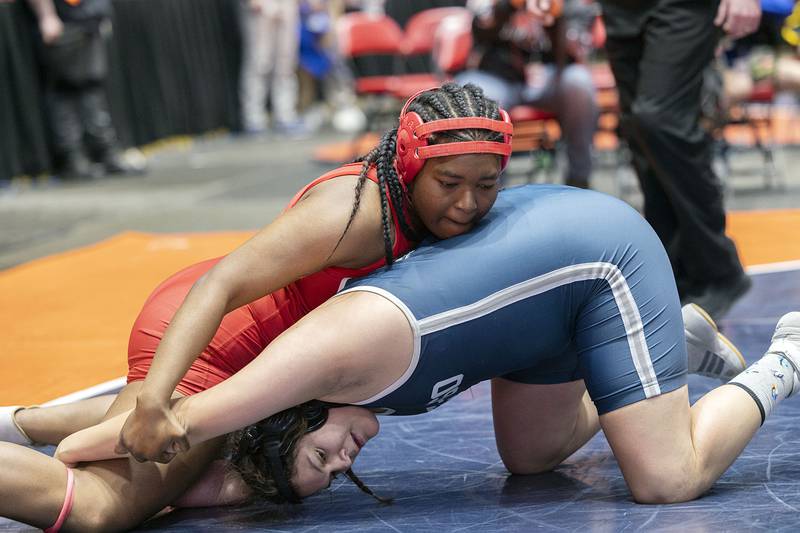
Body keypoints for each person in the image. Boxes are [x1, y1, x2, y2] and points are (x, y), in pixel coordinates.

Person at [6, 183, 783, 531]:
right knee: (155, 460)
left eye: (324, 459)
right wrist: (146, 431)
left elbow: (159, 426)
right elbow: (181, 423)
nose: (345, 459)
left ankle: (784, 356)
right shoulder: (321, 365)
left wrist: (120, 431)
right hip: (552, 294)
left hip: (596, 259)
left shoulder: (334, 347)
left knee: (661, 478)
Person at [0, 82, 514, 530]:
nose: (468, 204)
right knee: (102, 508)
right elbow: (220, 285)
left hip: (249, 351)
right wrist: (156, 402)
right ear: (407, 161)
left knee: (184, 480)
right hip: (219, 340)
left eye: (486, 186)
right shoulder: (354, 213)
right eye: (449, 185)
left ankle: (23, 423)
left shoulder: (416, 211)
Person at [541, 0, 761, 319]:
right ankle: (674, 272)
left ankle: (719, 268)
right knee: (639, 133)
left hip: (681, 6)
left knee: (659, 119)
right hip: (622, 9)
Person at [455, 0, 599, 188]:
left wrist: (557, 15)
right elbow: (482, 24)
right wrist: (510, 5)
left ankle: (579, 180)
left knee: (579, 81)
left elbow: (580, 48)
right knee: (474, 90)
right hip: (500, 77)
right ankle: (489, 188)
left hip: (551, 78)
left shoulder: (572, 4)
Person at [25, 0, 147, 180]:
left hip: (87, 21)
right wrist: (47, 16)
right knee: (63, 90)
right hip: (64, 22)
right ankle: (73, 158)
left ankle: (104, 152)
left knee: (92, 87)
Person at [239, 0, 306, 135]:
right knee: (259, 63)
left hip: (287, 5)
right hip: (261, 7)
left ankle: (285, 115)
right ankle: (253, 118)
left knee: (286, 63)